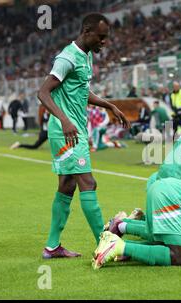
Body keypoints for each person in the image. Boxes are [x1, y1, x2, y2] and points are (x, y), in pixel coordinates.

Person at [37, 13, 131, 259]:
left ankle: (52, 247)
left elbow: (81, 90)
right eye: (101, 37)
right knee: (88, 183)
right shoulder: (67, 57)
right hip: (66, 132)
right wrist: (65, 120)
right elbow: (43, 92)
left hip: (74, 129)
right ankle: (106, 245)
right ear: (87, 31)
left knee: (67, 186)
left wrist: (108, 105)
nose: (104, 42)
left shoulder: (86, 56)